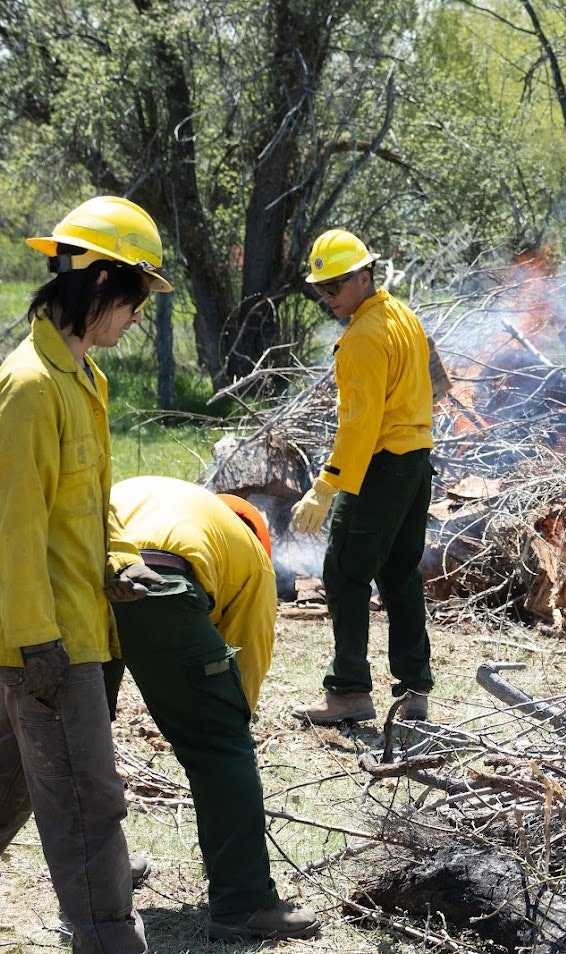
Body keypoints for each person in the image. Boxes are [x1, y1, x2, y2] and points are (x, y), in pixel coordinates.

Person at [0, 195, 173, 953]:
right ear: (101, 282)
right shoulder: (30, 387)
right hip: (45, 641)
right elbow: (14, 528)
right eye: (135, 300)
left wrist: (120, 562)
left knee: (29, 788)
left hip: (75, 620)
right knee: (87, 802)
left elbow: (89, 504)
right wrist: (34, 641)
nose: (137, 317)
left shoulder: (83, 378)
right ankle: (108, 939)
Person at [103, 477, 321, 941]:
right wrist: (228, 718)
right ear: (259, 537)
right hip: (157, 583)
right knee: (220, 746)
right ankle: (244, 903)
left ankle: (102, 875)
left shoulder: (162, 494)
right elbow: (248, 656)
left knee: (80, 738)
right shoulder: (250, 556)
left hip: (75, 574)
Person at [290, 228, 435, 726]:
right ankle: (415, 691)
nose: (327, 297)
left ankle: (349, 691)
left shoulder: (363, 337)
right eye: (321, 289)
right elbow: (434, 383)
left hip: (381, 464)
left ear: (365, 275)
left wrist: (325, 487)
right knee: (398, 572)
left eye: (334, 286)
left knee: (344, 572)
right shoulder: (403, 317)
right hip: (415, 462)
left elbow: (359, 425)